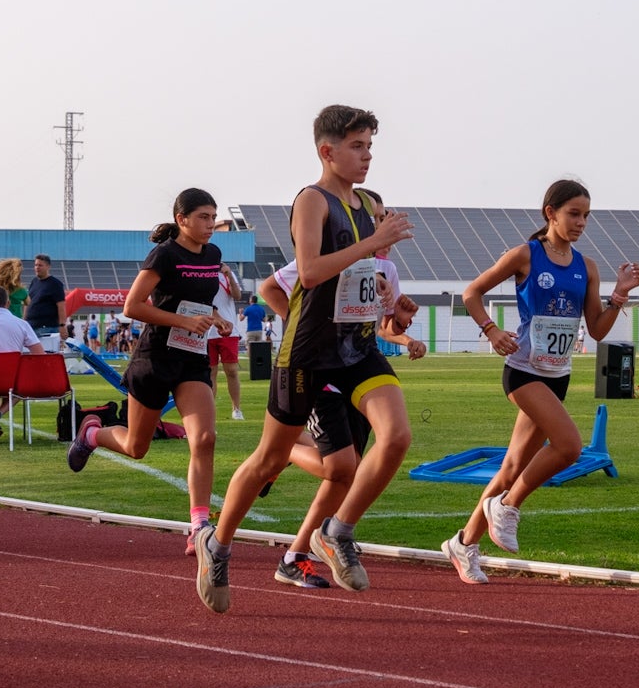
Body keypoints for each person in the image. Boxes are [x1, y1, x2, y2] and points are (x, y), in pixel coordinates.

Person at [195, 104, 415, 612]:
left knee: (397, 435)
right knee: (270, 458)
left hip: (356, 347)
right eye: (357, 146)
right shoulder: (311, 202)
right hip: (308, 351)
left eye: (370, 147)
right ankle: (218, 542)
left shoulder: (364, 206)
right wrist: (375, 245)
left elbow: (355, 279)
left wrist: (386, 296)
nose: (367, 157)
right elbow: (311, 272)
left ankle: (336, 531)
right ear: (327, 150)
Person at [441, 179, 639, 584]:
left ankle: (463, 543)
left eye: (586, 215)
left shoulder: (587, 267)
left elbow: (598, 330)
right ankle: (509, 506)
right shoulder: (525, 256)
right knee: (568, 446)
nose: (581, 222)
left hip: (558, 376)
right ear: (550, 213)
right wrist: (491, 331)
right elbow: (471, 293)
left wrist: (618, 296)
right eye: (574, 213)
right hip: (522, 371)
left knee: (512, 466)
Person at [257, 188, 426, 590]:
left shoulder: (385, 266)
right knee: (339, 467)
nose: (380, 223)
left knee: (346, 475)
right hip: (318, 369)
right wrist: (304, 329)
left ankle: (295, 556)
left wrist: (400, 326)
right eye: (375, 217)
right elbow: (270, 288)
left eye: (383, 217)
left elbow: (381, 326)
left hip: (357, 369)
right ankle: (284, 453)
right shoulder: (332, 253)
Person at [67, 188, 231, 557]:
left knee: (204, 438)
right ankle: (92, 434)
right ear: (182, 219)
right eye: (203, 217)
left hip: (191, 359)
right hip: (155, 358)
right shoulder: (164, 255)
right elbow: (133, 306)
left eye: (213, 217)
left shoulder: (214, 255)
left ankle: (199, 527)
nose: (210, 225)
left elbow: (200, 301)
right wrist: (183, 321)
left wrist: (215, 318)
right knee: (137, 447)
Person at [0, 284, 44, 444]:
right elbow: (40, 355)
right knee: (21, 388)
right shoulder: (21, 324)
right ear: (8, 303)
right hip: (10, 382)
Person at [207, 263, 244, 421]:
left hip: (229, 330)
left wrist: (228, 275)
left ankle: (236, 409)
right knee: (210, 373)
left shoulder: (226, 274)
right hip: (207, 331)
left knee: (232, 371)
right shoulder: (201, 274)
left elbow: (237, 296)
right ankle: (209, 411)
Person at [25, 253, 66, 350]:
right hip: (31, 326)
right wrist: (24, 320)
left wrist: (62, 325)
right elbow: (28, 303)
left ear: (48, 266)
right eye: (36, 265)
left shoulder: (55, 284)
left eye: (40, 265)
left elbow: (61, 306)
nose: (37, 268)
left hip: (47, 327)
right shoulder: (34, 282)